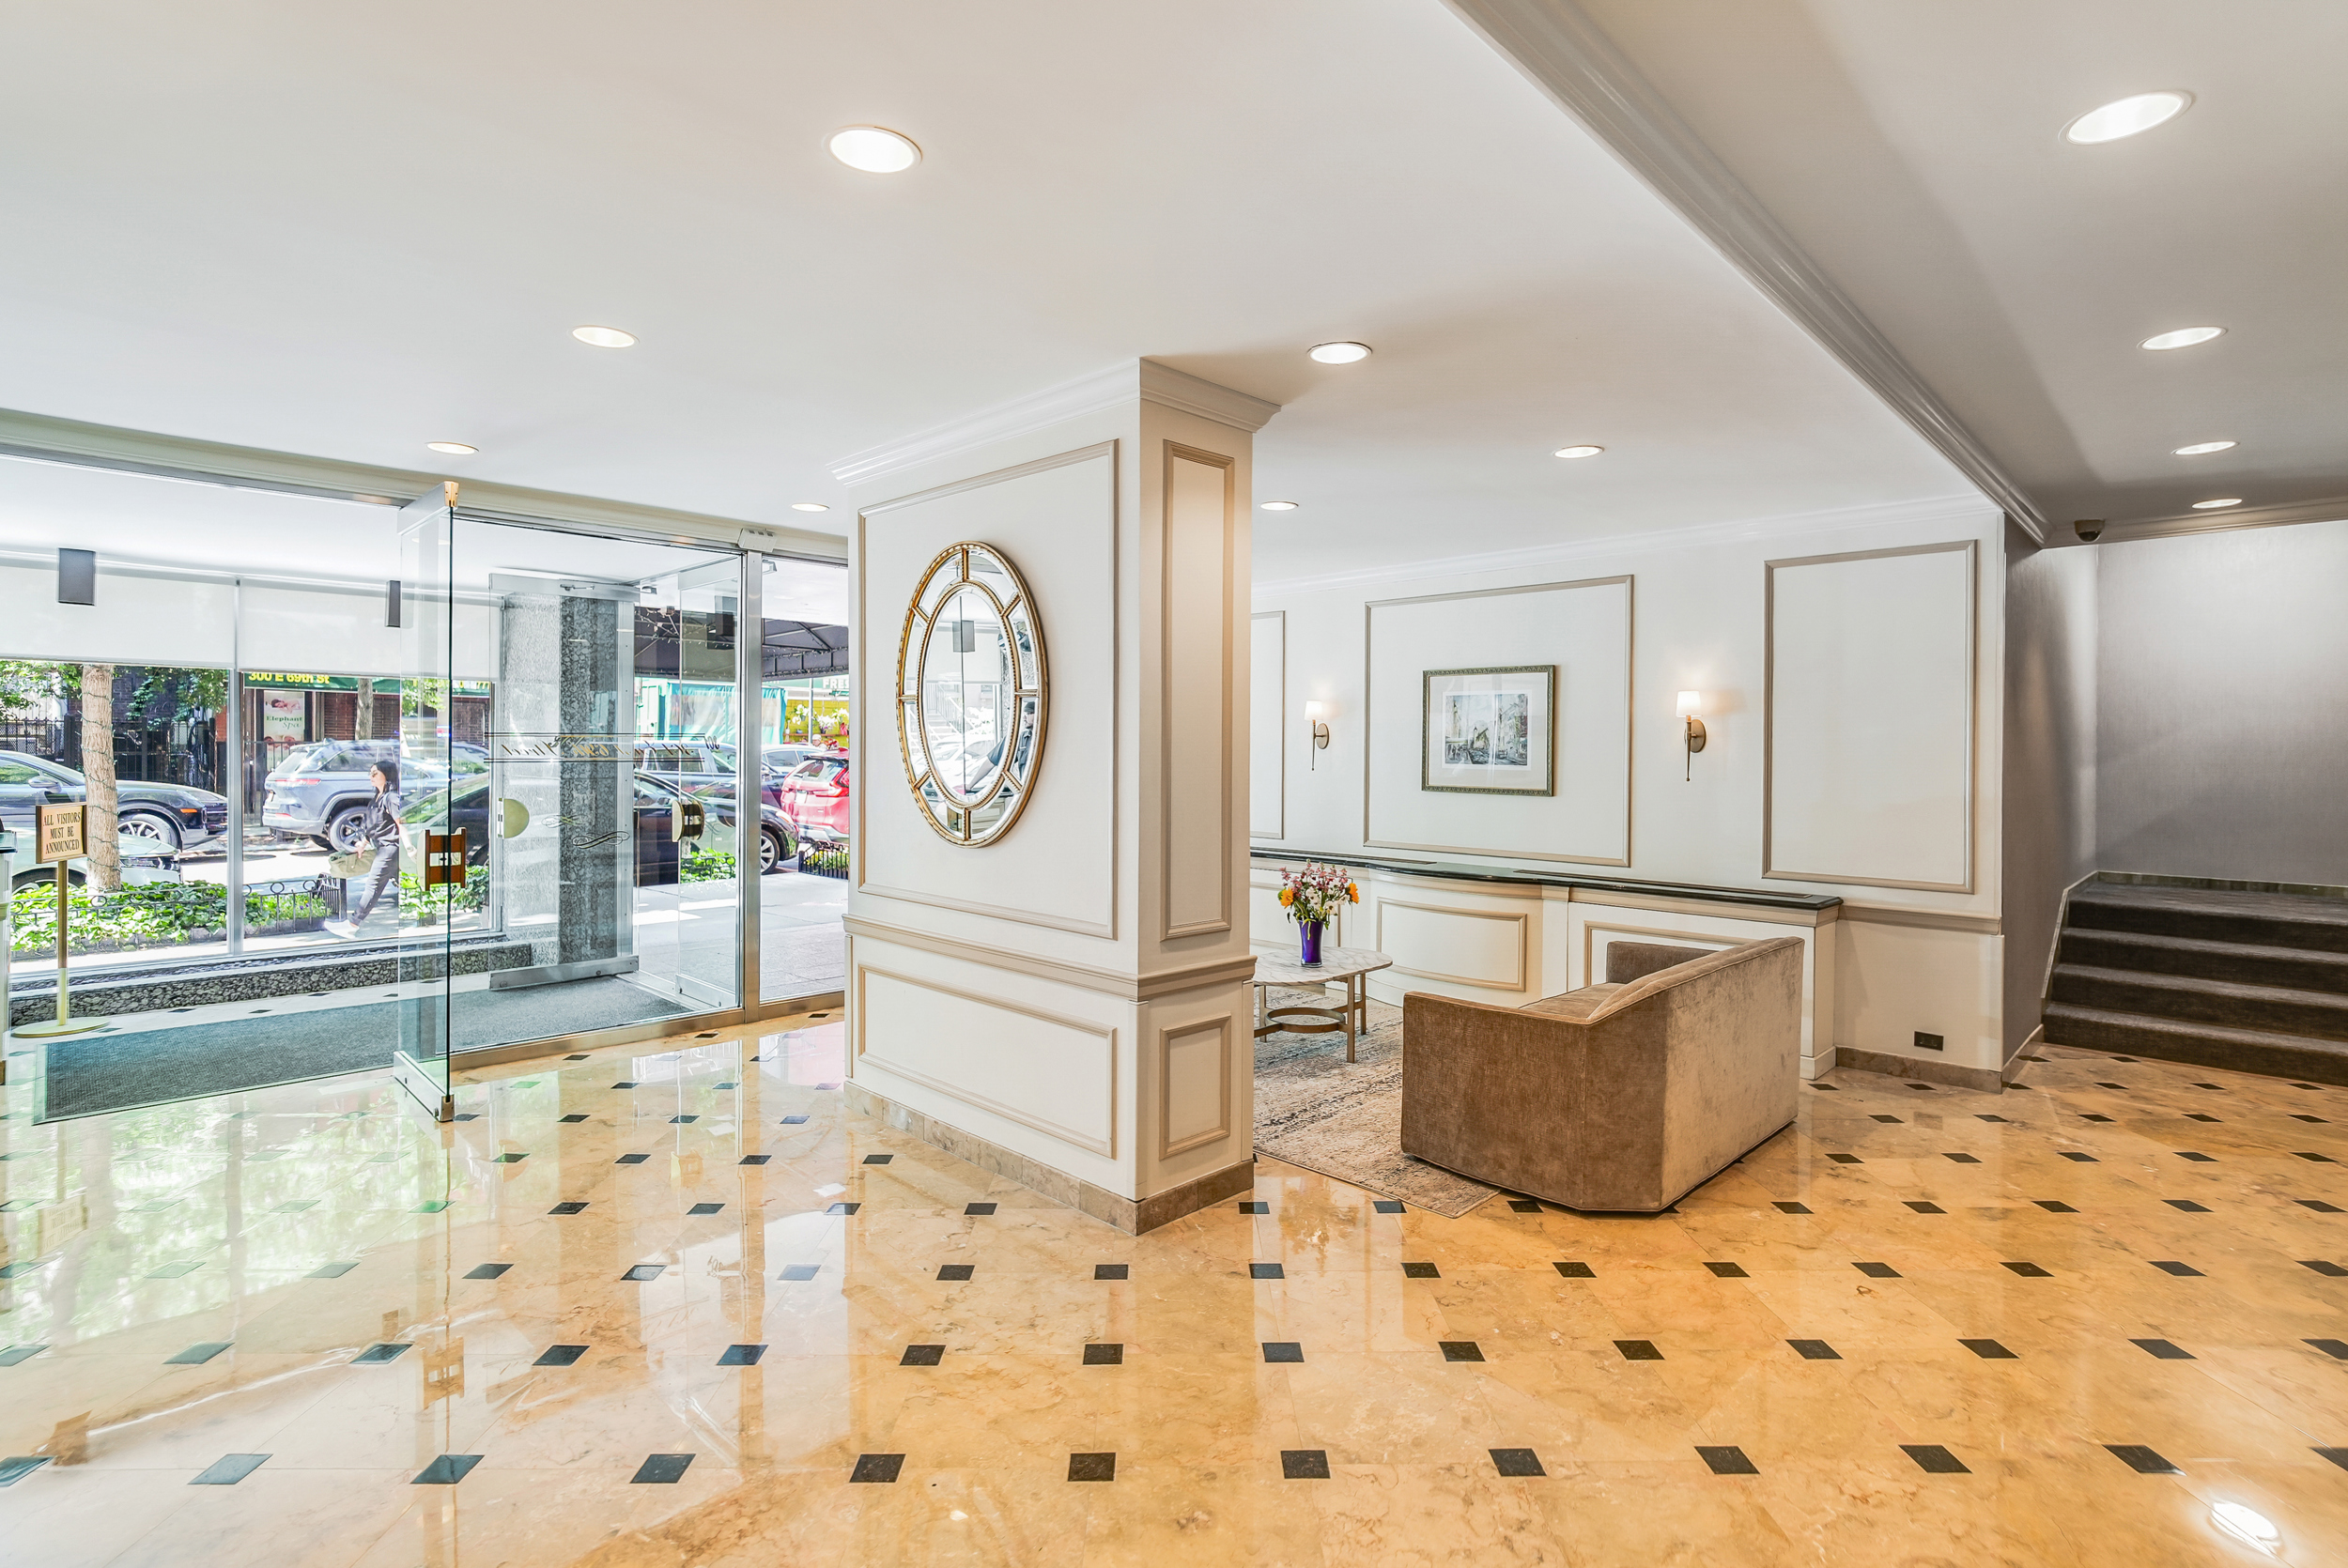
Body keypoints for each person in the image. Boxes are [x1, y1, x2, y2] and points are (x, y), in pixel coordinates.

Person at [323, 759, 401, 939]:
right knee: (402, 882)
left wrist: (410, 846)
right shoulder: (377, 797)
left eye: (375, 773)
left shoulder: (391, 798)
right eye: (370, 773)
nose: (371, 777)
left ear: (387, 775)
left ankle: (353, 924)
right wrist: (363, 843)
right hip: (383, 847)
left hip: (391, 848)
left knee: (373, 885)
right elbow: (374, 825)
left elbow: (400, 824)